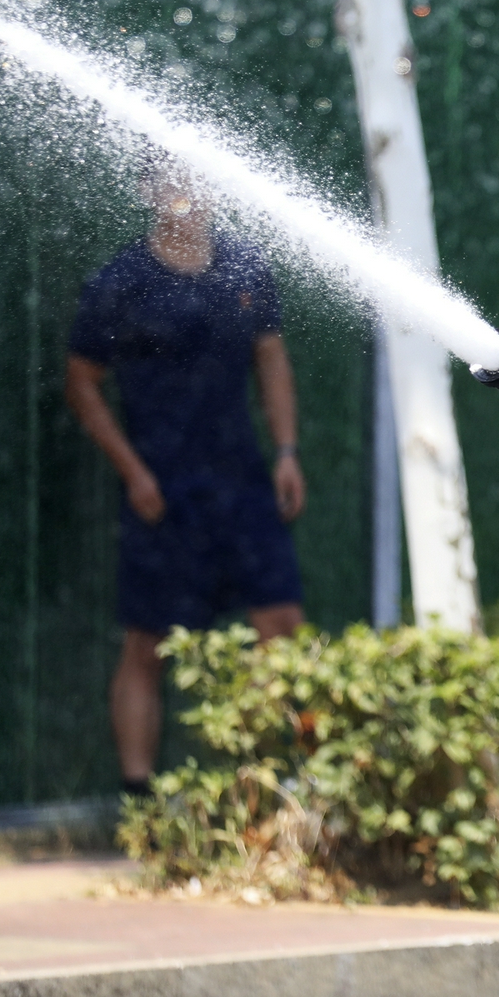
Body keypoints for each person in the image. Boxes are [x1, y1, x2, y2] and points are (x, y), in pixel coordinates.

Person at [65, 159, 307, 797]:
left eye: (193, 175)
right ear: (148, 192)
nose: (184, 190)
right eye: (169, 179)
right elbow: (82, 383)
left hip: (244, 478)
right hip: (162, 491)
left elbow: (271, 357)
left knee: (281, 623)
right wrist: (135, 473)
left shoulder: (245, 268)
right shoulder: (121, 281)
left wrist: (285, 451)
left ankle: (279, 784)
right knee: (150, 641)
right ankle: (138, 798)